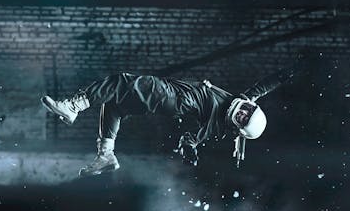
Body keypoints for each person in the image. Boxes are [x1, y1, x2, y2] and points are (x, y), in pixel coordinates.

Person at [41, 64, 301, 177]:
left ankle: (75, 105)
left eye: (243, 119)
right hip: (166, 98)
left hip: (169, 97)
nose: (242, 112)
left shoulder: (217, 123)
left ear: (237, 126)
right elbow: (263, 86)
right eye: (247, 111)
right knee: (115, 105)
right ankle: (106, 154)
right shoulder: (243, 99)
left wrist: (189, 149)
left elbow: (194, 138)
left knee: (120, 82)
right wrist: (289, 73)